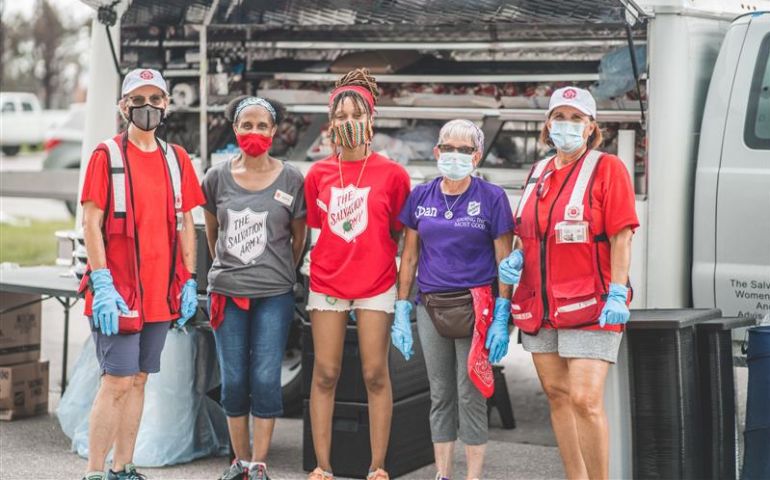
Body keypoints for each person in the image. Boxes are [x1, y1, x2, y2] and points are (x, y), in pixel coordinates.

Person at [498, 86, 639, 480]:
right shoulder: (538, 171)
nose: (567, 125)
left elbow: (621, 235)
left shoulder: (607, 168)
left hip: (592, 303)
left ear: (592, 126)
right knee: (559, 398)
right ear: (547, 125)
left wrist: (617, 290)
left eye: (577, 119)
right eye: (560, 117)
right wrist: (515, 259)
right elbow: (528, 232)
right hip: (539, 306)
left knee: (585, 399)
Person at [78, 68, 205, 480]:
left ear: (167, 105)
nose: (146, 107)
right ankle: (95, 472)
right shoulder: (106, 156)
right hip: (120, 292)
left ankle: (123, 467)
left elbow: (187, 222)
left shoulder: (176, 159)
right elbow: (91, 223)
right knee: (115, 383)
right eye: (138, 99)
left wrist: (189, 279)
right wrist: (101, 283)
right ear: (123, 106)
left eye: (155, 99)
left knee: (138, 381)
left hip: (159, 294)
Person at [303, 68, 411, 480]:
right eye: (341, 116)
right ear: (331, 124)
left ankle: (378, 466)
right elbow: (317, 226)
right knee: (326, 372)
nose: (349, 123)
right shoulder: (318, 175)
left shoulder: (393, 174)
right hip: (328, 281)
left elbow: (398, 233)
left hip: (377, 282)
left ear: (371, 119)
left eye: (356, 115)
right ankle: (322, 466)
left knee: (374, 373)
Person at [395, 119, 514, 480]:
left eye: (465, 150)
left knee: (470, 393)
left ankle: (473, 476)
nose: (455, 155)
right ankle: (443, 474)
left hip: (476, 305)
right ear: (437, 152)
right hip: (431, 304)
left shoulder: (492, 198)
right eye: (449, 147)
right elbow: (410, 256)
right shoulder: (421, 196)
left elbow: (504, 260)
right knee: (440, 394)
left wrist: (501, 315)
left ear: (477, 156)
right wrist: (402, 306)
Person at [201, 95, 307, 480]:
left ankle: (259, 463)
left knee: (265, 377)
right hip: (227, 294)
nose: (255, 132)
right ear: (235, 129)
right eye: (247, 125)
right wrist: (230, 271)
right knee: (233, 380)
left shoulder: (292, 178)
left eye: (262, 125)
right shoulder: (216, 177)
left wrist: (278, 273)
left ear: (274, 131)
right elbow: (213, 236)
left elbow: (299, 238)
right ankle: (239, 464)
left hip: (274, 295)